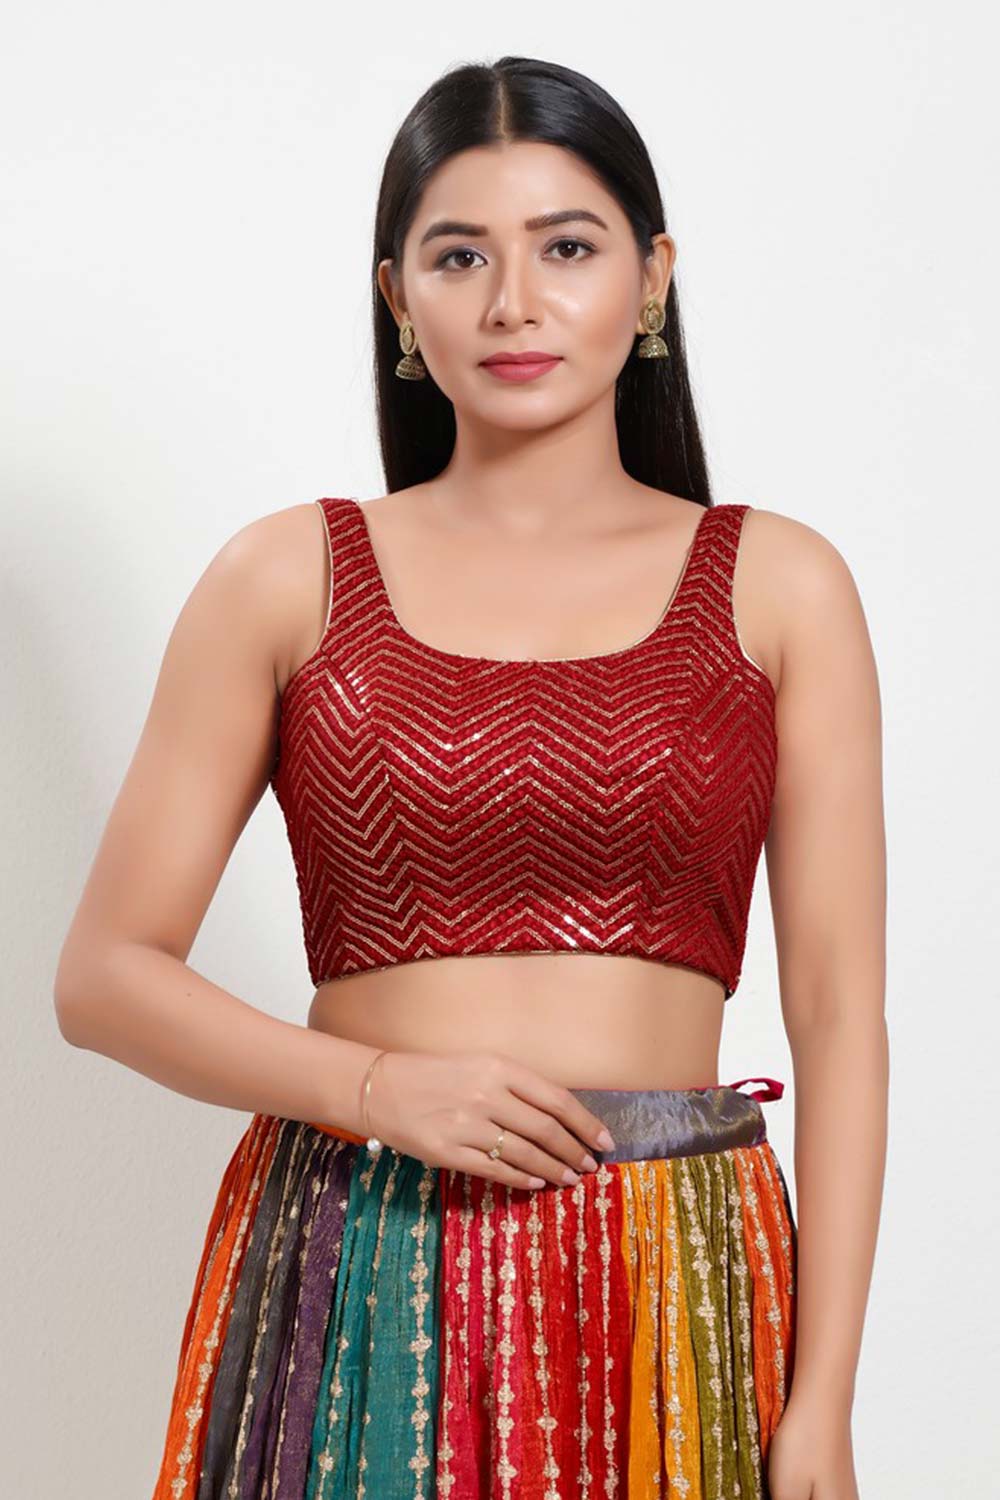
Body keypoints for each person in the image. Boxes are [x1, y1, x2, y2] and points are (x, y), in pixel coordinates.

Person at [54, 54, 887, 1500]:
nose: (514, 302)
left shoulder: (781, 585)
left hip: (675, 1273)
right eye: (459, 256)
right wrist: (377, 1089)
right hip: (359, 1249)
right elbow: (104, 976)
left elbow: (838, 1018)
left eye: (567, 247)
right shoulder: (286, 577)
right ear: (398, 298)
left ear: (652, 277)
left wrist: (824, 1403)